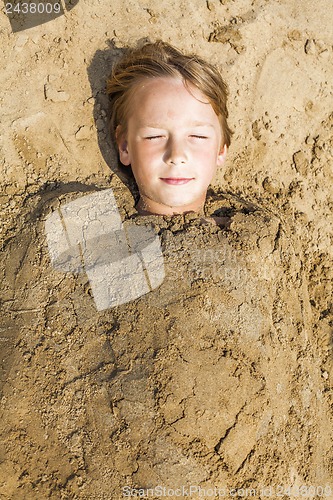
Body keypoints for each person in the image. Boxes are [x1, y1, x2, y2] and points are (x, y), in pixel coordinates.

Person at [106, 40, 233, 216]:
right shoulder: (87, 231)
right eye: (154, 137)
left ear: (220, 150)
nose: (177, 155)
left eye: (198, 136)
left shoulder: (258, 233)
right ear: (125, 147)